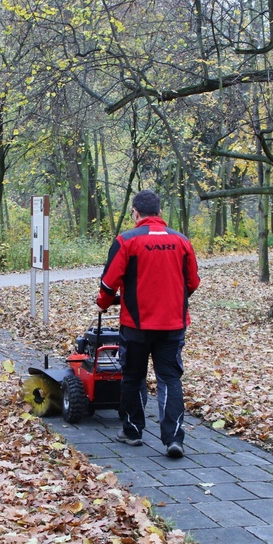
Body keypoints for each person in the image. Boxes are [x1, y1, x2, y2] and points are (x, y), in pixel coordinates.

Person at [96, 190, 200, 458]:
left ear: (135, 213)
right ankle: (174, 438)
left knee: (133, 377)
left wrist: (104, 303)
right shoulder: (182, 241)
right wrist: (174, 297)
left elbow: (108, 283)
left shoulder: (126, 241)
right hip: (173, 325)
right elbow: (193, 282)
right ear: (160, 213)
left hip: (136, 326)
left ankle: (132, 432)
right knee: (170, 379)